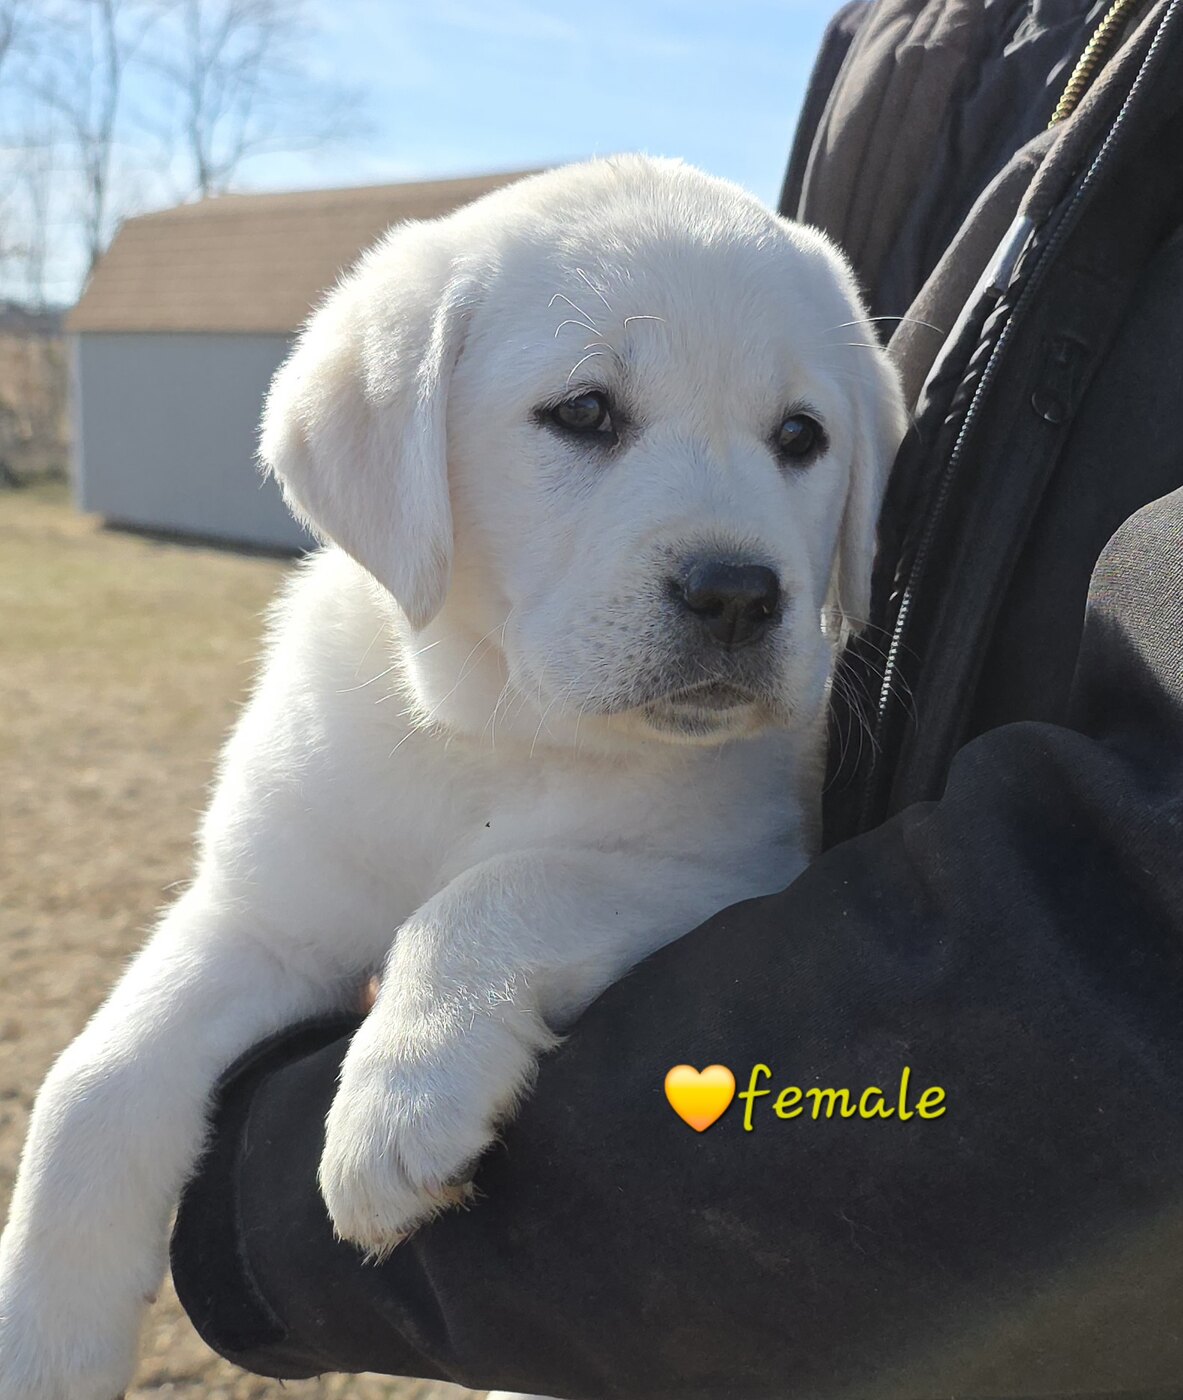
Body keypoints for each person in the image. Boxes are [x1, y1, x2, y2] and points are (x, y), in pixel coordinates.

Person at [169, 0, 1183, 1394]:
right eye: (591, 417)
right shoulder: (906, 42)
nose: (740, 562)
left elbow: (1127, 954)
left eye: (795, 441)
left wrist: (274, 1210)